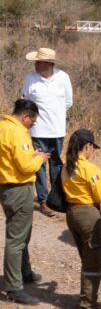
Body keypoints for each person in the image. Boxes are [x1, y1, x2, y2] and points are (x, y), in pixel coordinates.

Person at [0, 99, 50, 305]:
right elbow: (25, 167)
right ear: (25, 117)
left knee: (22, 233)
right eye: (33, 121)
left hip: (6, 185)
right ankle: (14, 287)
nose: (33, 125)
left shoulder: (3, 126)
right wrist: (40, 159)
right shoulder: (18, 132)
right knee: (17, 238)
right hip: (18, 188)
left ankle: (24, 272)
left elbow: (14, 157)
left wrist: (31, 154)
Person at [61, 129, 101, 308]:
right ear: (87, 146)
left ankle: (87, 297)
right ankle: (87, 303)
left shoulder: (66, 166)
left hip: (72, 213)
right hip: (88, 215)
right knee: (93, 260)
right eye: (92, 147)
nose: (92, 151)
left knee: (86, 257)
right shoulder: (89, 168)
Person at [21, 47, 73, 217]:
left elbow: (68, 102)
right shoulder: (30, 78)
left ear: (49, 63)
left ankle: (55, 199)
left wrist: (55, 115)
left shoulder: (63, 77)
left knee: (57, 164)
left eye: (39, 61)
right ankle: (43, 200)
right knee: (39, 165)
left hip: (57, 130)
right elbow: (24, 102)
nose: (36, 64)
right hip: (37, 130)